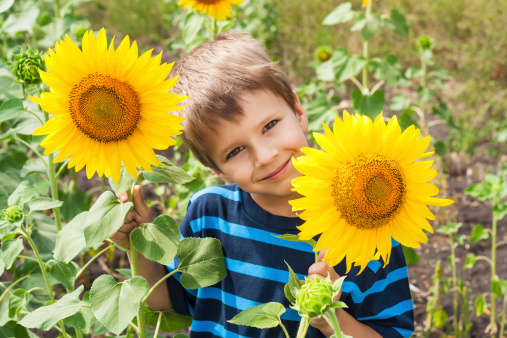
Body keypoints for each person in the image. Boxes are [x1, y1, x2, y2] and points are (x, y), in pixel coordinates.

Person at [111, 31, 414, 338]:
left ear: (297, 110)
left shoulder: (371, 231)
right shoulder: (210, 213)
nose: (265, 156)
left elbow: (390, 332)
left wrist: (330, 318)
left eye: (270, 126)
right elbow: (174, 301)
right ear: (217, 169)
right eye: (235, 151)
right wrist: (141, 245)